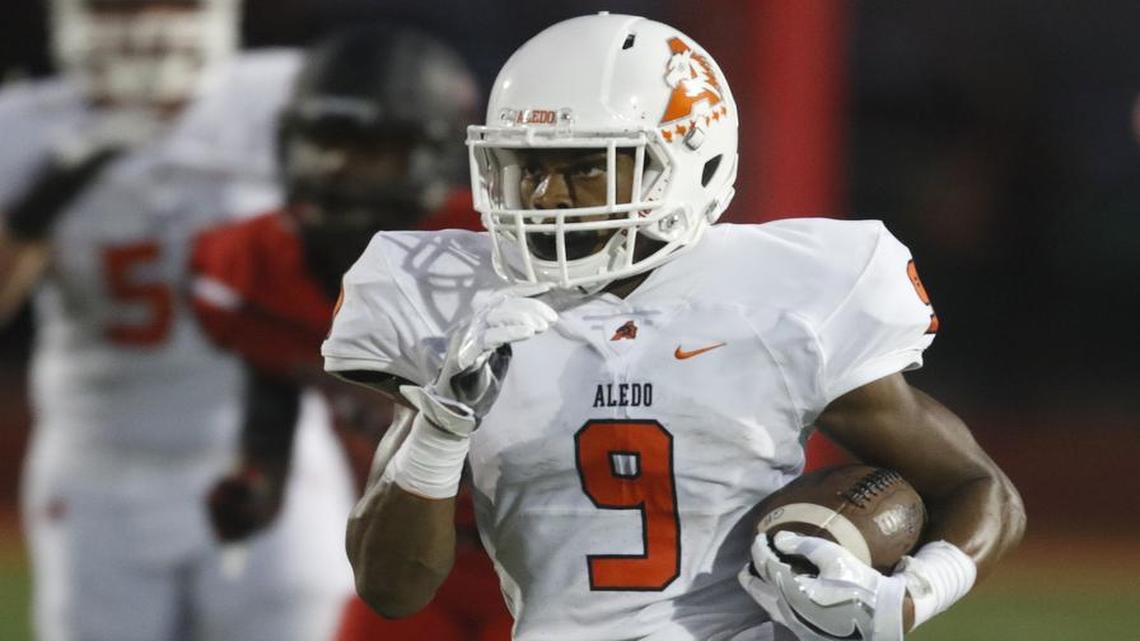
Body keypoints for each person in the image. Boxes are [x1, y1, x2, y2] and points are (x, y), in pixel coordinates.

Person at [323, 13, 1026, 641]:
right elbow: (393, 590)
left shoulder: (786, 293)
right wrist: (440, 430)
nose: (546, 195)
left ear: (687, 161)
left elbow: (979, 488)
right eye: (529, 166)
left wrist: (906, 596)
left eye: (585, 168)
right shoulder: (462, 306)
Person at [0, 1, 352, 639]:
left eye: (169, 4)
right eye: (117, 7)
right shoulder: (23, 128)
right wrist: (41, 202)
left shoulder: (284, 96)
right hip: (98, 468)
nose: (143, 27)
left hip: (267, 452)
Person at [189, 26, 511, 641]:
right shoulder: (254, 265)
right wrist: (262, 474)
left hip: (540, 555)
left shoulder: (497, 256)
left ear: (433, 154)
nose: (339, 167)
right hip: (407, 557)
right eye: (325, 141)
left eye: (372, 149)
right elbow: (276, 364)